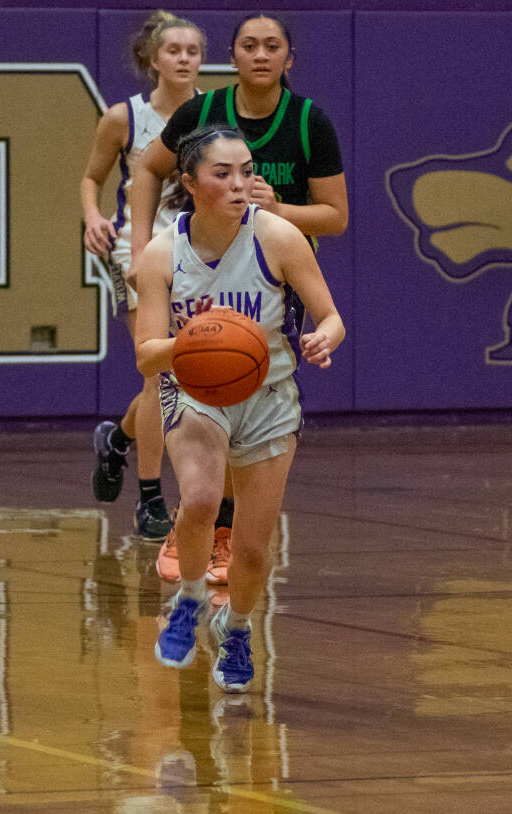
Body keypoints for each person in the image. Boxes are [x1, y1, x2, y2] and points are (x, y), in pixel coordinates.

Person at [128, 13, 348, 587]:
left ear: (289, 57)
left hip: (269, 270)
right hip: (195, 269)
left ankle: (228, 558)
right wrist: (138, 245)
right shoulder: (200, 114)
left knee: (244, 386)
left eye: (272, 45)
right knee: (198, 447)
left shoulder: (306, 123)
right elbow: (147, 169)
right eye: (248, 45)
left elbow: (336, 217)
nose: (260, 55)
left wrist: (275, 211)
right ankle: (193, 523)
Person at [135, 126, 345, 693]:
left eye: (247, 171)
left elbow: (332, 316)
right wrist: (198, 342)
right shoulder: (161, 253)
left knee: (252, 547)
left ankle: (239, 627)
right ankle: (191, 600)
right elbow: (146, 355)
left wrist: (325, 337)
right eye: (222, 173)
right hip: (195, 390)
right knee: (202, 498)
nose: (239, 184)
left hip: (269, 397)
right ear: (189, 182)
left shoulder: (278, 236)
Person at [82, 10, 207, 542]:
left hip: (198, 252)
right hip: (138, 250)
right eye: (173, 50)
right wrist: (92, 216)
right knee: (160, 374)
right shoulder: (123, 117)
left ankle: (117, 440)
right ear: (153, 59)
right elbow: (91, 178)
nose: (183, 58)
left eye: (192, 51)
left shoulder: (215, 112)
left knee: (189, 375)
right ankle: (152, 496)